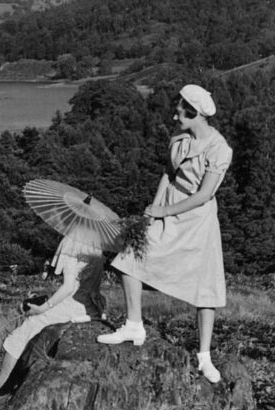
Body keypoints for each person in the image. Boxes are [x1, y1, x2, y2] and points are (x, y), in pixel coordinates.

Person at [97, 84, 233, 384]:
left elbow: (205, 194)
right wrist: (154, 210)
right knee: (130, 256)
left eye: (181, 112)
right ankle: (134, 325)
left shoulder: (219, 148)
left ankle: (204, 356)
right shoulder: (180, 140)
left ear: (195, 113)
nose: (175, 116)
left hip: (197, 218)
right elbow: (168, 175)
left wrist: (164, 212)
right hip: (169, 206)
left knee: (205, 285)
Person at [0, 235, 106, 398]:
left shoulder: (73, 243)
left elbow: (68, 287)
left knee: (23, 331)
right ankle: (10, 379)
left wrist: (43, 308)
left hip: (73, 305)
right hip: (91, 306)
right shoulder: (96, 244)